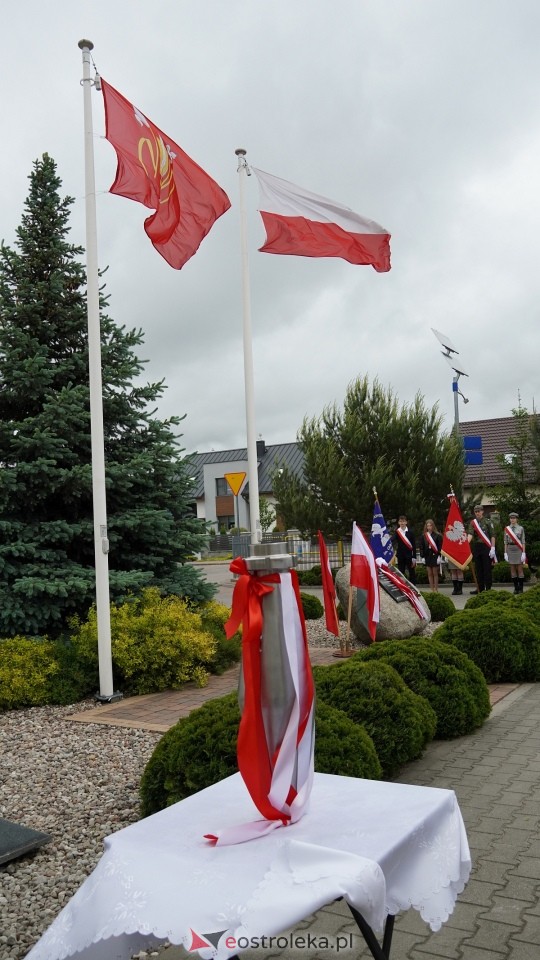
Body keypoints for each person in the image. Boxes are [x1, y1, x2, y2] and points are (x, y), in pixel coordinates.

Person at [467, 505, 496, 593]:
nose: (477, 513)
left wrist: (493, 548)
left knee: (487, 569)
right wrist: (466, 543)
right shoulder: (473, 523)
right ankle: (480, 588)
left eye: (479, 511)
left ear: (482, 511)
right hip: (477, 547)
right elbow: (470, 534)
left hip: (486, 547)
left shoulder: (488, 522)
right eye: (476, 512)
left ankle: (488, 588)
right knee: (478, 569)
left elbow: (493, 535)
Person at [504, 511, 526, 593]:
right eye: (511, 518)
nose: (512, 520)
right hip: (510, 548)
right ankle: (516, 588)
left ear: (517, 519)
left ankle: (521, 588)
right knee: (512, 569)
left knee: (520, 569)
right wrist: (505, 553)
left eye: (514, 518)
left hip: (518, 549)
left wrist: (524, 552)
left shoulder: (520, 528)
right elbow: (505, 541)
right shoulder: (507, 529)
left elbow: (523, 541)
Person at [419, 519, 443, 591]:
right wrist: (422, 556)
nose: (429, 527)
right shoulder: (423, 536)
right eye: (427, 525)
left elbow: (440, 546)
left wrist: (439, 556)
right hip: (427, 556)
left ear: (433, 526)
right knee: (429, 573)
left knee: (435, 573)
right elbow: (421, 547)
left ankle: (436, 589)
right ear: (426, 526)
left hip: (435, 555)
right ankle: (432, 589)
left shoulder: (438, 535)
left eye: (430, 525)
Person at [394, 515, 416, 583]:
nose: (402, 523)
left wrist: (414, 557)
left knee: (411, 572)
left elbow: (414, 545)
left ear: (406, 522)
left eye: (403, 521)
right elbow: (392, 540)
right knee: (401, 573)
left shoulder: (410, 532)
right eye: (400, 521)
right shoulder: (397, 532)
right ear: (398, 522)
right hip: (401, 555)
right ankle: (402, 588)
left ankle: (413, 588)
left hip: (409, 556)